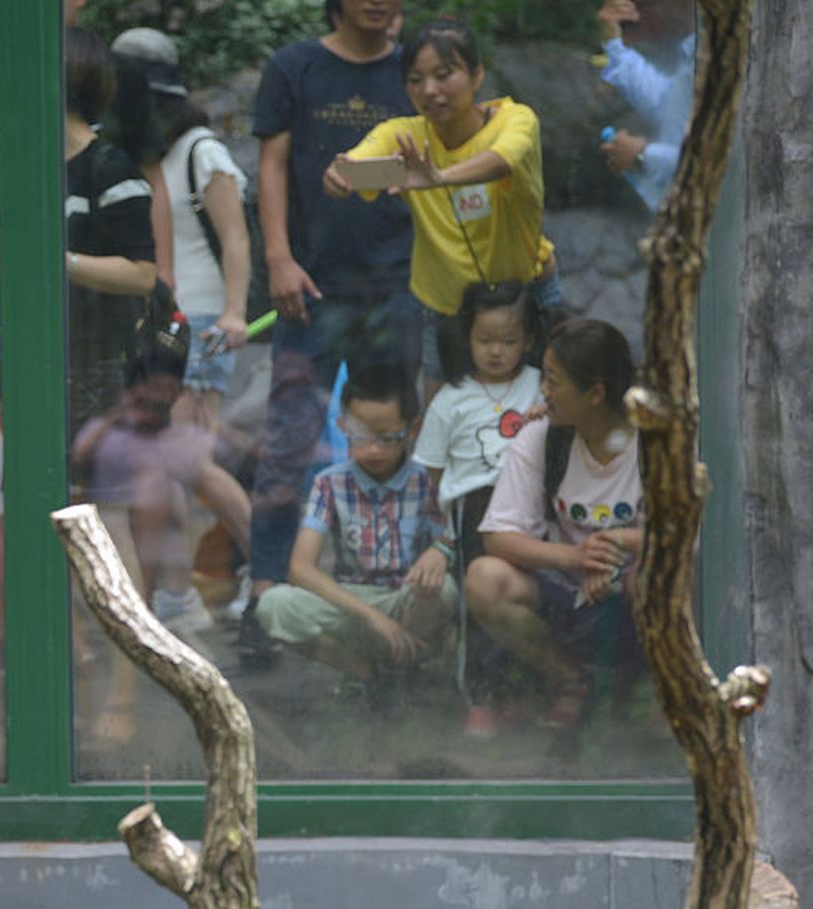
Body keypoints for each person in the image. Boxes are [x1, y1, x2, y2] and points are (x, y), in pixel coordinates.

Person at [243, 0, 420, 670]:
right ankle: (263, 599)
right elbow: (272, 167)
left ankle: (393, 606)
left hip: (401, 285)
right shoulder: (296, 66)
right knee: (289, 442)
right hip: (313, 288)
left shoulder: (416, 69)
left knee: (397, 444)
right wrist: (279, 258)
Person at [327, 19, 560, 388]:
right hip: (445, 309)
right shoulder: (404, 136)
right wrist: (340, 177)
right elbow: (358, 164)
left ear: (477, 74)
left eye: (444, 74)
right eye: (416, 80)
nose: (430, 90)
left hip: (523, 296)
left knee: (538, 417)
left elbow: (503, 159)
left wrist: (439, 178)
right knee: (439, 416)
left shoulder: (515, 119)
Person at [71, 327, 251, 746]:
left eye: (163, 399)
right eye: (142, 397)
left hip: (150, 562)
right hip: (103, 546)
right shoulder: (107, 433)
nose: (150, 407)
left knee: (157, 484)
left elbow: (226, 472)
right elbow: (79, 461)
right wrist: (114, 419)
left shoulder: (178, 441)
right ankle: (103, 678)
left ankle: (125, 689)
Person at [465, 318, 643, 732]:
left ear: (596, 393)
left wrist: (615, 549)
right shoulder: (544, 436)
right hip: (568, 595)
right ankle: (569, 680)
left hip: (636, 593)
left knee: (660, 578)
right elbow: (497, 537)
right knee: (483, 578)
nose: (543, 391)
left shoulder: (653, 440)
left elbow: (684, 531)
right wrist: (576, 557)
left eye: (553, 380)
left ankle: (651, 690)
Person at [252, 364, 455, 689]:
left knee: (444, 589)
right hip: (350, 602)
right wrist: (370, 616)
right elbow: (300, 569)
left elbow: (447, 540)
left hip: (405, 600)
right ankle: (365, 673)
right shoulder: (330, 483)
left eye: (388, 438)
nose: (373, 449)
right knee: (274, 604)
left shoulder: (425, 480)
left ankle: (402, 667)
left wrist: (440, 549)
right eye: (361, 437)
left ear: (413, 429)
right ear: (342, 426)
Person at [409, 280, 543, 734]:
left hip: (533, 509)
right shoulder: (451, 398)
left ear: (528, 340)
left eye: (508, 341)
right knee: (477, 608)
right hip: (475, 511)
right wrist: (453, 515)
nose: (496, 352)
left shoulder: (539, 386)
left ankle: (526, 688)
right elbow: (431, 467)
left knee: (527, 598)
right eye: (485, 340)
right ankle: (481, 697)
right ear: (467, 338)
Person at [109, 28, 254, 411]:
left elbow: (235, 238)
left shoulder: (201, 152)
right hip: (150, 314)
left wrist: (234, 314)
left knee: (188, 450)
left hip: (200, 314)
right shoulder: (137, 155)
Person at [63, 27, 159, 428]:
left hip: (102, 366)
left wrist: (57, 261)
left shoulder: (108, 167)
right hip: (44, 358)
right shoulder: (28, 166)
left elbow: (142, 275)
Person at [596, 0, 696, 211]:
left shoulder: (733, 54)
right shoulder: (698, 46)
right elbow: (668, 106)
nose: (634, 10)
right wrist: (614, 43)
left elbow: (724, 160)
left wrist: (643, 155)